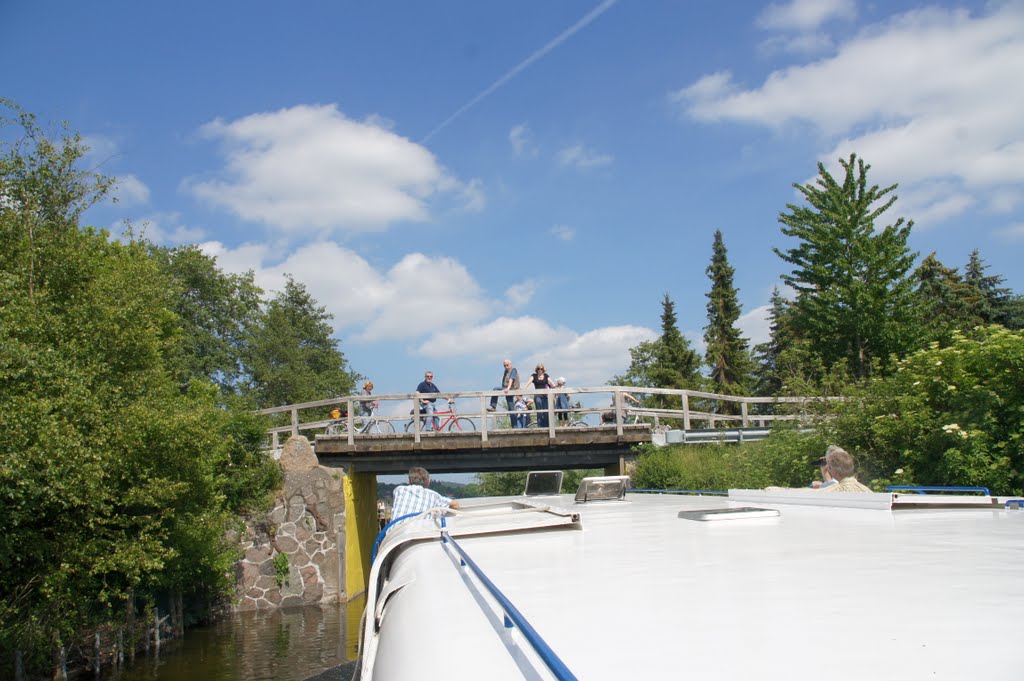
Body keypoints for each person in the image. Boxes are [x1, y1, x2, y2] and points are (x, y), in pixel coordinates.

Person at [391, 467, 460, 520]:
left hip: (394, 533)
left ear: (409, 481)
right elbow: (455, 504)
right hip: (418, 532)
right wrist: (438, 509)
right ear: (427, 482)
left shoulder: (399, 490)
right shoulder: (433, 495)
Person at [527, 363, 555, 428]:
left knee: (546, 411)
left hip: (545, 396)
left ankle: (547, 426)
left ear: (543, 370)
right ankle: (540, 426)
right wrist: (523, 389)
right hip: (537, 395)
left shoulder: (546, 376)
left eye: (541, 369)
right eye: (538, 369)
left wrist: (556, 388)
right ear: (536, 369)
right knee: (539, 408)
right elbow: (528, 383)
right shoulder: (534, 376)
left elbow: (552, 383)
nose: (540, 370)